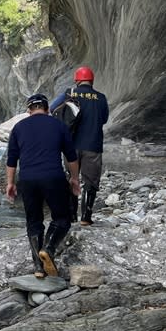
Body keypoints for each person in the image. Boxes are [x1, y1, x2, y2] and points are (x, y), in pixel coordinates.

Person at [5, 94, 80, 278]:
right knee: (62, 218)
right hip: (53, 176)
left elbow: (11, 160)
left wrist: (10, 183)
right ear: (47, 109)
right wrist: (74, 178)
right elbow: (71, 156)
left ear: (29, 111)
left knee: (34, 221)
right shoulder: (58, 125)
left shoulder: (18, 127)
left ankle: (39, 267)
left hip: (28, 180)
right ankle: (48, 248)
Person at [50, 66, 109, 226]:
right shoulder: (101, 97)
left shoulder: (70, 93)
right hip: (93, 145)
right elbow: (104, 119)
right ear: (92, 80)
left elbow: (53, 108)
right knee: (90, 182)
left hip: (71, 146)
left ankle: (71, 217)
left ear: (77, 80)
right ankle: (86, 217)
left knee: (72, 179)